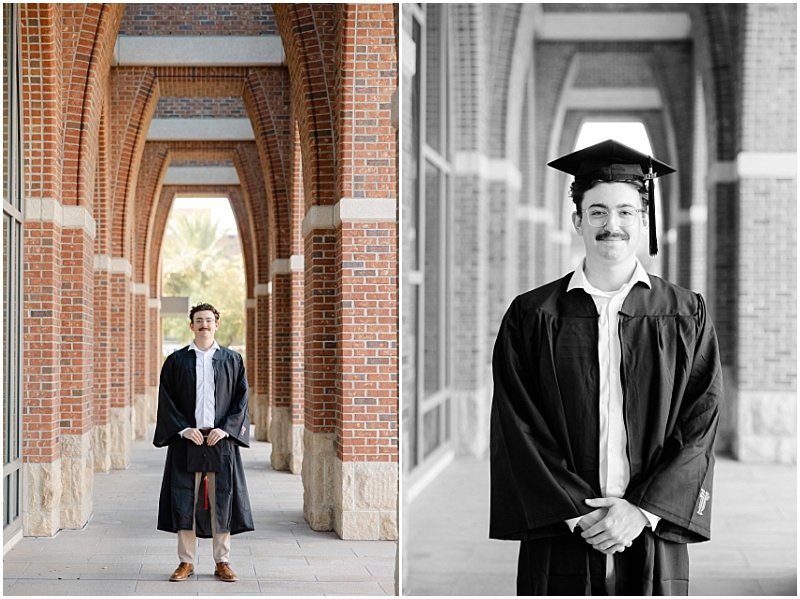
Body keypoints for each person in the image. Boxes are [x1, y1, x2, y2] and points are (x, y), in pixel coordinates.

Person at [489, 140, 723, 595]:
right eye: (596, 212)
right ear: (577, 220)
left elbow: (702, 419)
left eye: (624, 212)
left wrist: (641, 510)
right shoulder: (532, 315)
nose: (610, 225)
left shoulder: (685, 312)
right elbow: (517, 423)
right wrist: (580, 510)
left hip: (651, 528)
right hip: (565, 526)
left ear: (642, 220)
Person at [154, 302, 254, 583]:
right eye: (199, 320)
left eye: (209, 320)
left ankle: (222, 561)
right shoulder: (176, 361)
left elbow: (241, 401)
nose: (204, 325)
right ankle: (186, 562)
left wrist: (227, 429)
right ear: (191, 326)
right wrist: (184, 429)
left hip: (220, 440)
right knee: (185, 498)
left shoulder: (233, 360)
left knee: (221, 499)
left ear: (216, 325)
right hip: (188, 439)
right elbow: (166, 400)